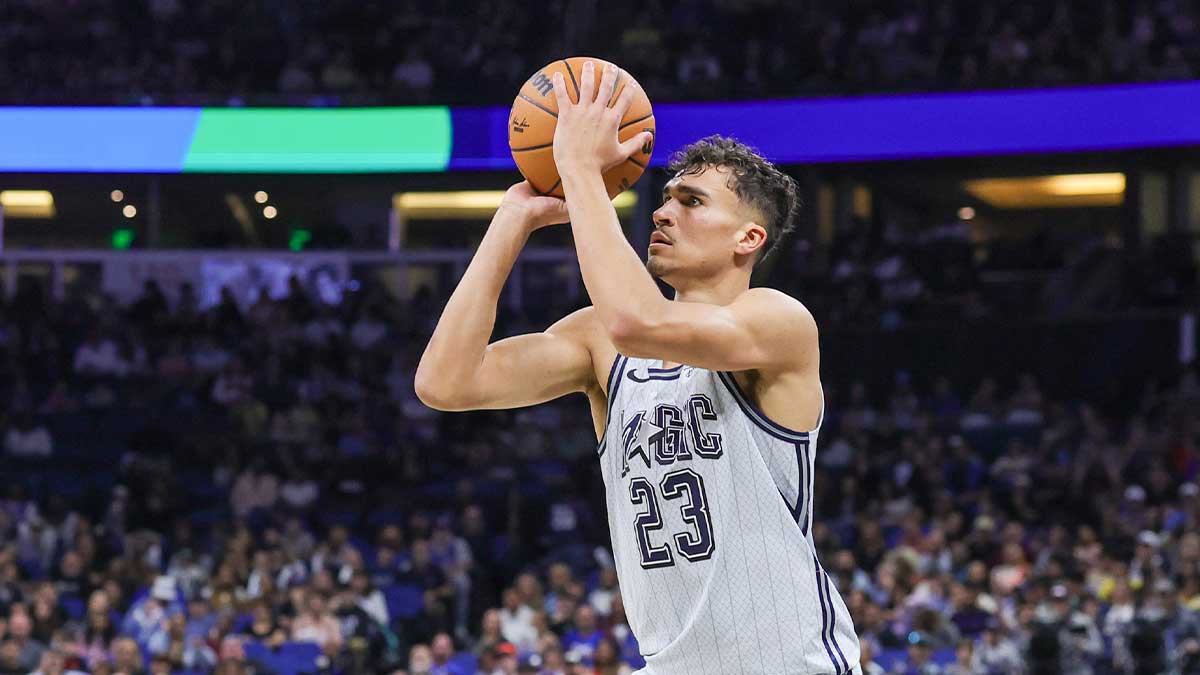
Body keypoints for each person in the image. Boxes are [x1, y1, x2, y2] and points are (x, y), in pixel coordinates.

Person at [417, 61, 858, 674]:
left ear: (748, 238)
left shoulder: (777, 322)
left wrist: (578, 169)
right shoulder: (600, 340)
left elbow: (638, 324)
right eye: (666, 196)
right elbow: (445, 382)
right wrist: (510, 222)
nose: (661, 211)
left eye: (692, 201)